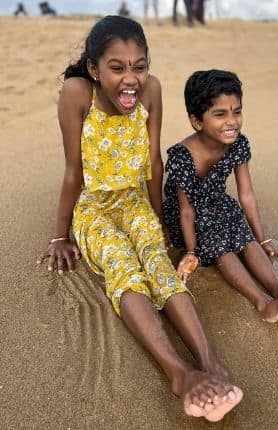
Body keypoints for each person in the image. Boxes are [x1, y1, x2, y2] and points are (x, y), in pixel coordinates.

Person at [35, 16, 242, 422]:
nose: (130, 79)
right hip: (94, 204)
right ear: (95, 69)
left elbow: (152, 160)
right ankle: (180, 373)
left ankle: (209, 362)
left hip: (134, 202)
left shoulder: (152, 89)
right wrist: (60, 236)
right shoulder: (78, 92)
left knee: (158, 264)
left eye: (139, 65)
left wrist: (161, 221)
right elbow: (73, 170)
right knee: (125, 265)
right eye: (117, 68)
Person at [162, 69, 278, 320]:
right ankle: (262, 304)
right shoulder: (181, 156)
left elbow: (247, 195)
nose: (232, 121)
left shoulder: (238, 143)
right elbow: (186, 210)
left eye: (237, 111)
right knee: (222, 246)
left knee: (244, 236)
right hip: (186, 216)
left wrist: (263, 240)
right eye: (220, 114)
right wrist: (191, 252)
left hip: (219, 203)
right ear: (197, 121)